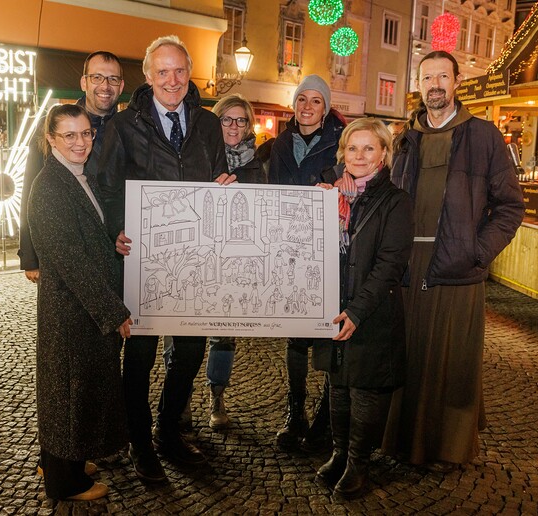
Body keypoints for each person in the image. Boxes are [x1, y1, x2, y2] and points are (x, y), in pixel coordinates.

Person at [382, 51, 524, 472]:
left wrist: (477, 252)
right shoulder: (404, 137)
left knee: (450, 360)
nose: (435, 85)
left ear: (458, 81)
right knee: (406, 353)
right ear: (418, 84)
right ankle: (397, 440)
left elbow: (510, 207)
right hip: (407, 263)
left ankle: (446, 447)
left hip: (457, 266)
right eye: (428, 78)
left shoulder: (483, 136)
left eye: (443, 76)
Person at [97, 35, 230, 483]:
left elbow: (215, 180)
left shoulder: (208, 125)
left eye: (179, 71)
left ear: (188, 73)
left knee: (190, 350)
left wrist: (225, 190)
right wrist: (117, 226)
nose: (172, 80)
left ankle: (168, 431)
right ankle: (140, 445)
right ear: (148, 76)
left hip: (194, 262)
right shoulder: (122, 126)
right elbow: (106, 187)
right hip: (142, 262)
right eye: (162, 71)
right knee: (138, 356)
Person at [27, 103, 133, 501]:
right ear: (50, 139)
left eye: (86, 133)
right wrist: (113, 312)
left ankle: (61, 460)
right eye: (69, 135)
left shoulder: (74, 176)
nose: (80, 142)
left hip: (80, 308)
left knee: (75, 390)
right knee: (68, 392)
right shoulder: (50, 186)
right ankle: (64, 480)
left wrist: (112, 241)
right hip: (72, 309)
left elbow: (86, 236)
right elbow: (69, 259)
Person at [312, 118, 413, 498]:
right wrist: (318, 209)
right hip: (333, 305)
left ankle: (359, 464)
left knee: (366, 389)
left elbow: (390, 265)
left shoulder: (396, 201)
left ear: (384, 154)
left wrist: (356, 311)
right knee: (337, 384)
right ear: (343, 153)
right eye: (353, 148)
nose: (359, 155)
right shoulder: (330, 196)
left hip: (371, 312)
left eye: (369, 148)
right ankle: (339, 454)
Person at [268, 74, 346, 451]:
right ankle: (295, 412)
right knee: (296, 335)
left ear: (326, 107)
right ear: (294, 104)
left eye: (316, 101)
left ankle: (325, 421)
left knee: (330, 335)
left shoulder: (341, 143)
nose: (308, 107)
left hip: (330, 251)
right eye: (303, 100)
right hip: (291, 249)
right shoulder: (280, 144)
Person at [19, 51, 125, 284]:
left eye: (113, 79)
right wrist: (30, 256)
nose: (105, 86)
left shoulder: (129, 127)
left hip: (117, 252)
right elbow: (31, 188)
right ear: (83, 82)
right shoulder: (53, 125)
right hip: (69, 248)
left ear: (121, 85)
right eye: (97, 77)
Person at [202, 93, 268, 431]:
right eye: (227, 118)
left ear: (249, 126)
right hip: (198, 258)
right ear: (216, 122)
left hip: (236, 261)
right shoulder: (200, 157)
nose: (234, 125)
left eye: (241, 120)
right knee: (181, 332)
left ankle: (217, 397)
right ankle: (178, 402)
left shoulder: (258, 166)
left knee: (224, 336)